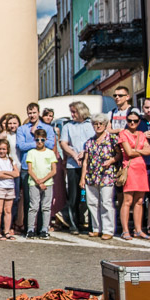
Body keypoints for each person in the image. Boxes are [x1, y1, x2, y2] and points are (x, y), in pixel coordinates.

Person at [81, 114, 120, 240]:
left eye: (100, 124)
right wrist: (83, 177)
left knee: (106, 202)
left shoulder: (112, 139)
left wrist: (111, 161)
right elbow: (86, 161)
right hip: (92, 176)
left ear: (105, 125)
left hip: (107, 175)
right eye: (95, 124)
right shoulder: (90, 141)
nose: (98, 126)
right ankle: (96, 228)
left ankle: (108, 230)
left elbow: (119, 154)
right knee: (92, 203)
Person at [59, 102, 95, 234]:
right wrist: (73, 154)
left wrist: (86, 151)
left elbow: (95, 140)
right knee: (74, 195)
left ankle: (91, 224)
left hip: (89, 164)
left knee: (88, 195)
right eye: (71, 112)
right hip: (73, 165)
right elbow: (63, 143)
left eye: (74, 112)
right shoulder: (68, 126)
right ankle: (74, 223)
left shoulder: (91, 124)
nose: (72, 115)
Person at [118, 108, 150, 240]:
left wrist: (135, 149)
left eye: (135, 121)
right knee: (127, 200)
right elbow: (128, 153)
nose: (132, 123)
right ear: (126, 121)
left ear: (138, 122)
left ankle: (138, 229)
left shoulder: (142, 134)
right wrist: (140, 150)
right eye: (130, 120)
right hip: (130, 168)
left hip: (141, 169)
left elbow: (148, 151)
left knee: (140, 200)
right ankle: (125, 230)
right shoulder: (123, 133)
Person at [25, 127, 57, 239]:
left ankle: (44, 228)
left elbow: (54, 170)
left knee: (46, 207)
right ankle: (30, 229)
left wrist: (43, 180)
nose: (39, 142)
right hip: (34, 183)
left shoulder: (50, 153)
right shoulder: (31, 153)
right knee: (33, 206)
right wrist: (38, 182)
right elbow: (30, 170)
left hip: (47, 183)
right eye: (37, 140)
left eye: (42, 140)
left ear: (45, 140)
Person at [0, 139, 19, 240]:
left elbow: (16, 174)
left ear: (7, 149)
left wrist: (4, 172)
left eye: (4, 149)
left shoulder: (11, 160)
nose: (2, 151)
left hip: (10, 187)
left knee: (8, 210)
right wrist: (9, 174)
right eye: (0, 149)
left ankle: (6, 231)